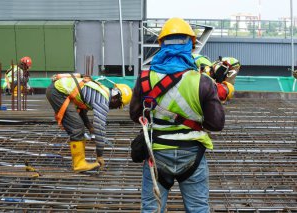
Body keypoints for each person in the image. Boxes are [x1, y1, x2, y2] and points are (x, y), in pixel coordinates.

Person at [129, 17, 225, 212]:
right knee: (198, 208)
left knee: (151, 208)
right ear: (190, 45)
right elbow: (216, 124)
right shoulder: (203, 82)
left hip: (157, 154)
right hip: (192, 154)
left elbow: (134, 115)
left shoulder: (145, 78)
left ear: (161, 45)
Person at [46, 74, 132, 172]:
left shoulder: (102, 90)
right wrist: (99, 155)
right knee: (77, 128)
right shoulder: (103, 100)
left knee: (78, 124)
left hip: (57, 90)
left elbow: (82, 112)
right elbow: (100, 129)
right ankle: (79, 164)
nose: (116, 108)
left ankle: (78, 161)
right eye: (118, 105)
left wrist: (90, 128)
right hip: (57, 93)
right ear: (116, 98)